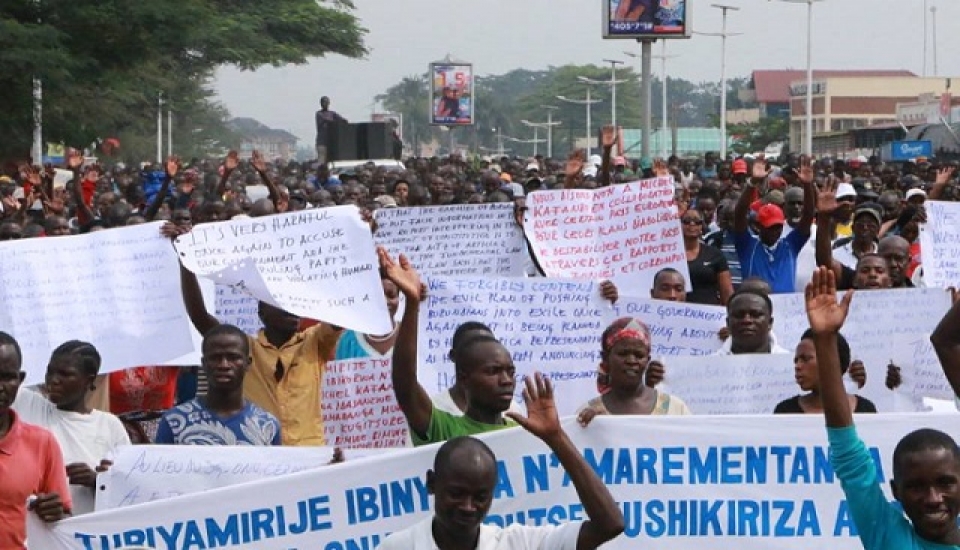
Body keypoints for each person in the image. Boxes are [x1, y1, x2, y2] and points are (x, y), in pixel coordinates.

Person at [377, 373, 625, 550]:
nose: (468, 506)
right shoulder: (399, 545)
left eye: (480, 497)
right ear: (432, 484)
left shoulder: (518, 543)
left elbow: (610, 524)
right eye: (456, 493)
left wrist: (556, 438)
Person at [806, 266, 960, 549]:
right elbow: (849, 456)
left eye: (945, 482)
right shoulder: (889, 538)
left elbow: (945, 341)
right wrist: (826, 340)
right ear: (895, 491)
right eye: (916, 487)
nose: (933, 498)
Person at [166, 222, 342, 446]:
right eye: (281, 303)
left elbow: (341, 309)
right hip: (260, 457)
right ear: (262, 312)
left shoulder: (316, 342)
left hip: (309, 457)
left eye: (295, 303)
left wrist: (360, 241)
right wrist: (185, 258)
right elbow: (200, 316)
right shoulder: (242, 349)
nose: (292, 309)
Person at [381, 248, 519, 446]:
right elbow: (406, 385)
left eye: (510, 372)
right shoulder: (444, 428)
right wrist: (412, 304)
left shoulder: (525, 431)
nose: (506, 381)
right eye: (493, 371)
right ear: (464, 377)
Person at [13, 341, 129, 515]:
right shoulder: (28, 404)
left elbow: (129, 489)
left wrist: (97, 481)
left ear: (88, 380)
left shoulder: (109, 426)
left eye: (65, 374)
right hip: (34, 535)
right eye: (49, 371)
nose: (53, 380)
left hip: (84, 534)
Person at [0, 332, 71, 548]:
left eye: (7, 377)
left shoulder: (42, 443)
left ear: (20, 380)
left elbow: (65, 523)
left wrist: (56, 514)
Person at [155, 325, 281, 446]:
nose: (224, 365)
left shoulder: (267, 425)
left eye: (233, 357)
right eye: (215, 358)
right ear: (203, 363)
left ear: (247, 363)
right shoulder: (174, 421)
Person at [577, 318, 691, 427]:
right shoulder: (588, 413)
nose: (631, 361)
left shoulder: (675, 409)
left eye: (639, 355)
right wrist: (590, 429)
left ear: (647, 360)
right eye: (622, 354)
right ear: (605, 358)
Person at [732, 156, 815, 293]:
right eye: (770, 227)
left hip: (786, 310)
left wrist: (807, 185)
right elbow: (740, 213)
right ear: (758, 227)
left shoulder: (790, 246)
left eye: (778, 227)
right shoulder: (747, 245)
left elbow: (807, 217)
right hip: (755, 307)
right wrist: (752, 183)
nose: (775, 232)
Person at [773, 329, 877, 414]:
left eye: (805, 359)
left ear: (831, 360)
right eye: (796, 361)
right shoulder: (786, 411)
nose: (797, 366)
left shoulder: (866, 410)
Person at [334, 274, 401, 360]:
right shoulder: (348, 342)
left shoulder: (412, 337)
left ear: (398, 298)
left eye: (391, 295)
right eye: (377, 295)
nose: (384, 301)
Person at [680, 208, 733, 305]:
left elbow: (727, 293)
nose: (692, 224)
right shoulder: (670, 256)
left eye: (697, 221)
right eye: (687, 221)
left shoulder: (715, 255)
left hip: (708, 315)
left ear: (701, 226)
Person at [717, 289, 790, 354]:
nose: (746, 320)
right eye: (739, 315)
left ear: (770, 322)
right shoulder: (710, 363)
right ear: (728, 323)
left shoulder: (790, 363)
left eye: (756, 315)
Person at [315, 96, 347, 164]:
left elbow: (341, 119)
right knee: (322, 161)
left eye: (326, 102)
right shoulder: (319, 114)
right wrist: (335, 121)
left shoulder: (332, 113)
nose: (325, 104)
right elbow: (327, 120)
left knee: (332, 162)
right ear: (321, 104)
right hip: (322, 142)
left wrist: (344, 121)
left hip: (331, 142)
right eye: (323, 102)